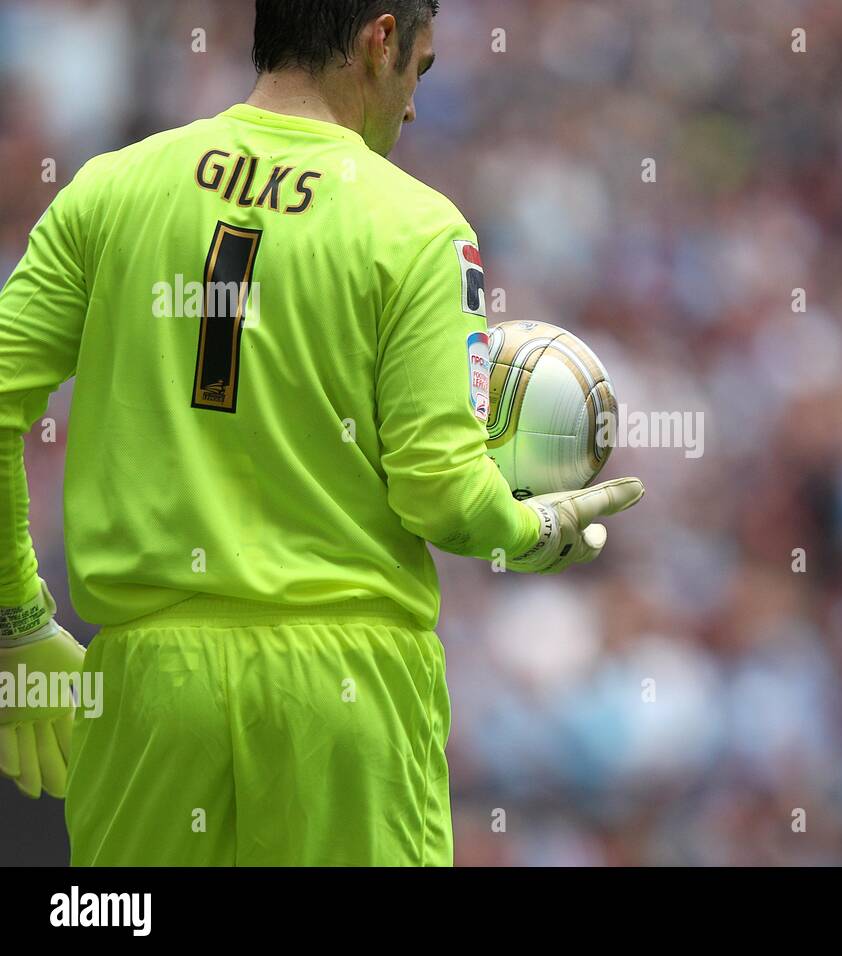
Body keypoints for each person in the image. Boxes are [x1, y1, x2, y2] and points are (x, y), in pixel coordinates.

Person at [0, 0, 643, 866]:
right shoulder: (416, 229)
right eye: (421, 67)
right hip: (342, 692)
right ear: (380, 41)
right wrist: (533, 531)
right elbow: (442, 491)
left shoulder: (113, 188)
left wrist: (19, 624)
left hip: (150, 691)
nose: (413, 103)